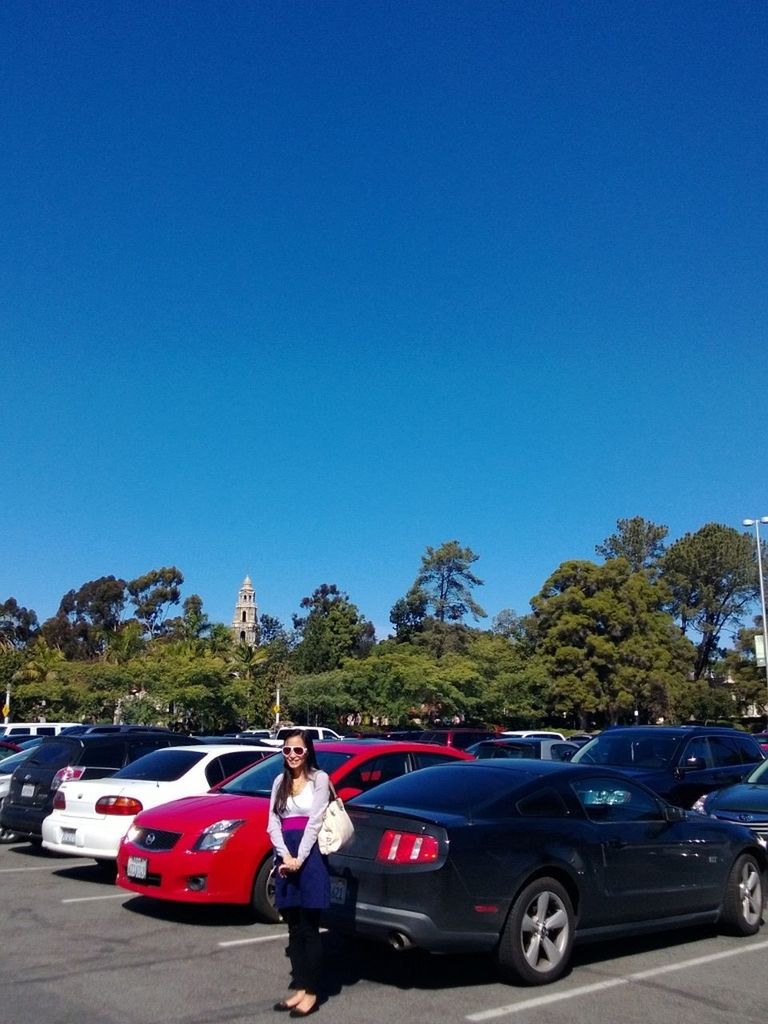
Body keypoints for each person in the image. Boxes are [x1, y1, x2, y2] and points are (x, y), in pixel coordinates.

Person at [267, 729, 330, 1017]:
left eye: (298, 750)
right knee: (293, 928)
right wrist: (284, 855)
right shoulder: (279, 781)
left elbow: (315, 822)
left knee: (309, 927)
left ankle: (313, 993)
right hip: (285, 857)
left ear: (308, 752)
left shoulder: (320, 780)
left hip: (310, 856)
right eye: (287, 750)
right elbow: (272, 823)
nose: (292, 755)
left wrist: (299, 858)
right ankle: (301, 988)